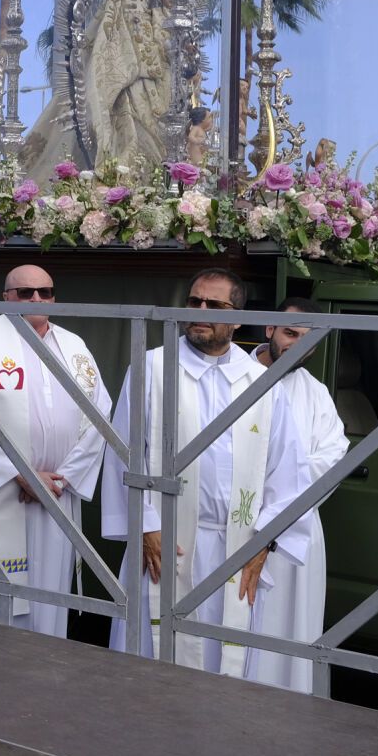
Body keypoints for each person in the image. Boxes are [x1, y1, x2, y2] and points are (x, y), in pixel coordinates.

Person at [100, 268, 310, 680]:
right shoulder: (153, 368)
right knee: (151, 660)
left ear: (236, 318)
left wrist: (265, 542)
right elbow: (123, 453)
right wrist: (144, 524)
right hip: (164, 542)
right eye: (194, 301)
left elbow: (287, 472)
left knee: (224, 661)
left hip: (234, 545)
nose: (200, 311)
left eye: (214, 305)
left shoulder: (262, 384)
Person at [0, 264, 108, 637]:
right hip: (8, 492)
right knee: (3, 587)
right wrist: (21, 475)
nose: (37, 299)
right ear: (6, 298)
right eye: (26, 293)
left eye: (45, 292)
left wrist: (66, 477)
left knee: (50, 591)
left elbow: (100, 415)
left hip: (58, 492)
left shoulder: (75, 345)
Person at [245, 299, 348, 692]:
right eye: (290, 334)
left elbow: (334, 455)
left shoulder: (316, 393)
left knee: (290, 630)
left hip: (295, 528)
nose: (298, 345)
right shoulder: (235, 377)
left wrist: (283, 499)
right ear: (269, 329)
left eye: (308, 339)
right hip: (241, 521)